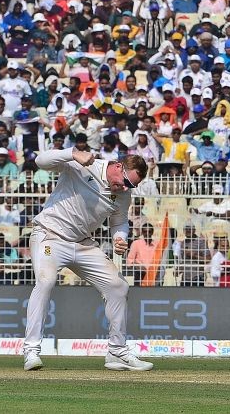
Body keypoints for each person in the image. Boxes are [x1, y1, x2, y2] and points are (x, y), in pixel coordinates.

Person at [22, 148, 151, 372]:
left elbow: (119, 222)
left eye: (130, 186)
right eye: (124, 182)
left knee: (118, 286)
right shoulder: (85, 164)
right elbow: (40, 160)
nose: (123, 188)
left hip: (83, 243)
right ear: (118, 166)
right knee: (45, 281)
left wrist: (120, 238)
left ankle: (116, 352)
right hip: (50, 236)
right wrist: (71, 153)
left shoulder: (123, 193)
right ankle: (31, 350)